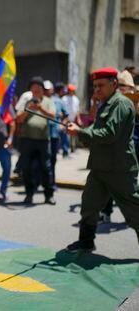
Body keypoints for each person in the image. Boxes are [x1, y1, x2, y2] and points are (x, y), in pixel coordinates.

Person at [66, 67, 139, 252]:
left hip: (119, 169)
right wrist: (80, 130)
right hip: (100, 167)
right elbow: (96, 129)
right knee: (89, 206)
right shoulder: (105, 103)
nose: (96, 90)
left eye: (100, 85)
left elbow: (109, 134)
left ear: (114, 84)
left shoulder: (120, 104)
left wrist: (80, 132)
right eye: (94, 86)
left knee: (134, 212)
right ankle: (86, 242)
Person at [16, 77, 56, 205]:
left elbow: (53, 116)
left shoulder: (48, 101)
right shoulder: (26, 101)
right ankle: (29, 194)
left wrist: (40, 108)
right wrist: (29, 109)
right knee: (26, 168)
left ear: (43, 90)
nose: (36, 90)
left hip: (43, 140)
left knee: (46, 168)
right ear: (31, 90)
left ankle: (49, 195)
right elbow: (19, 119)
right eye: (34, 87)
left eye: (39, 87)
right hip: (27, 140)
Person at [45, 81, 69, 190]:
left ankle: (51, 183)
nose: (46, 92)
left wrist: (63, 126)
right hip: (42, 135)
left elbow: (66, 115)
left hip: (54, 134)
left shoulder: (58, 101)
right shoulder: (40, 101)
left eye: (48, 90)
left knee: (52, 160)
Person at [62, 84, 82, 153]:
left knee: (73, 133)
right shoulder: (64, 98)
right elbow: (63, 109)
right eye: (70, 90)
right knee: (65, 134)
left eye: (73, 90)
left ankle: (72, 147)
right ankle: (65, 148)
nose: (72, 92)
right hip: (66, 119)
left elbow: (77, 110)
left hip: (73, 119)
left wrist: (79, 119)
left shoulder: (76, 99)